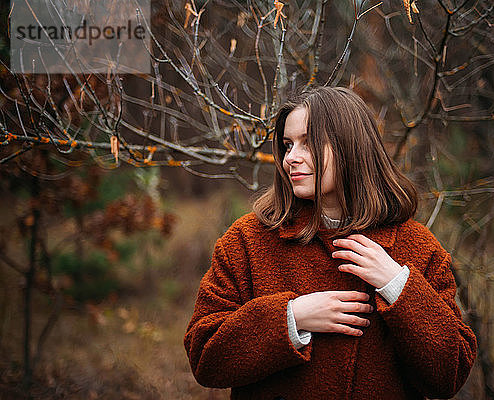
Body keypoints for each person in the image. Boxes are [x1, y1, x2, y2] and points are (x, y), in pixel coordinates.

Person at [184, 86, 477, 400]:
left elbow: (450, 373)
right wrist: (292, 318)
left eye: (307, 143)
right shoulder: (249, 239)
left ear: (350, 147)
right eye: (287, 144)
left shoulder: (416, 246)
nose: (290, 158)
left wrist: (397, 284)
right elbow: (205, 357)